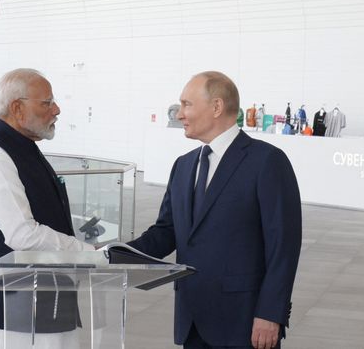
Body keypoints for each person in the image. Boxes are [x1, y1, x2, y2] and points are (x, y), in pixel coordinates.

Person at [128, 71, 301, 349]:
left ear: (217, 107)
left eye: (187, 104)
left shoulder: (267, 162)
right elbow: (165, 232)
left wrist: (271, 313)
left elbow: (284, 246)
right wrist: (113, 256)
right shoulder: (183, 165)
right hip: (192, 320)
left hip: (244, 323)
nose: (179, 114)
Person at [0, 68, 94, 348]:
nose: (56, 109)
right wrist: (88, 254)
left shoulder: (25, 148)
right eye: (46, 103)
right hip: (8, 314)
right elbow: (22, 234)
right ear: (17, 108)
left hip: (45, 304)